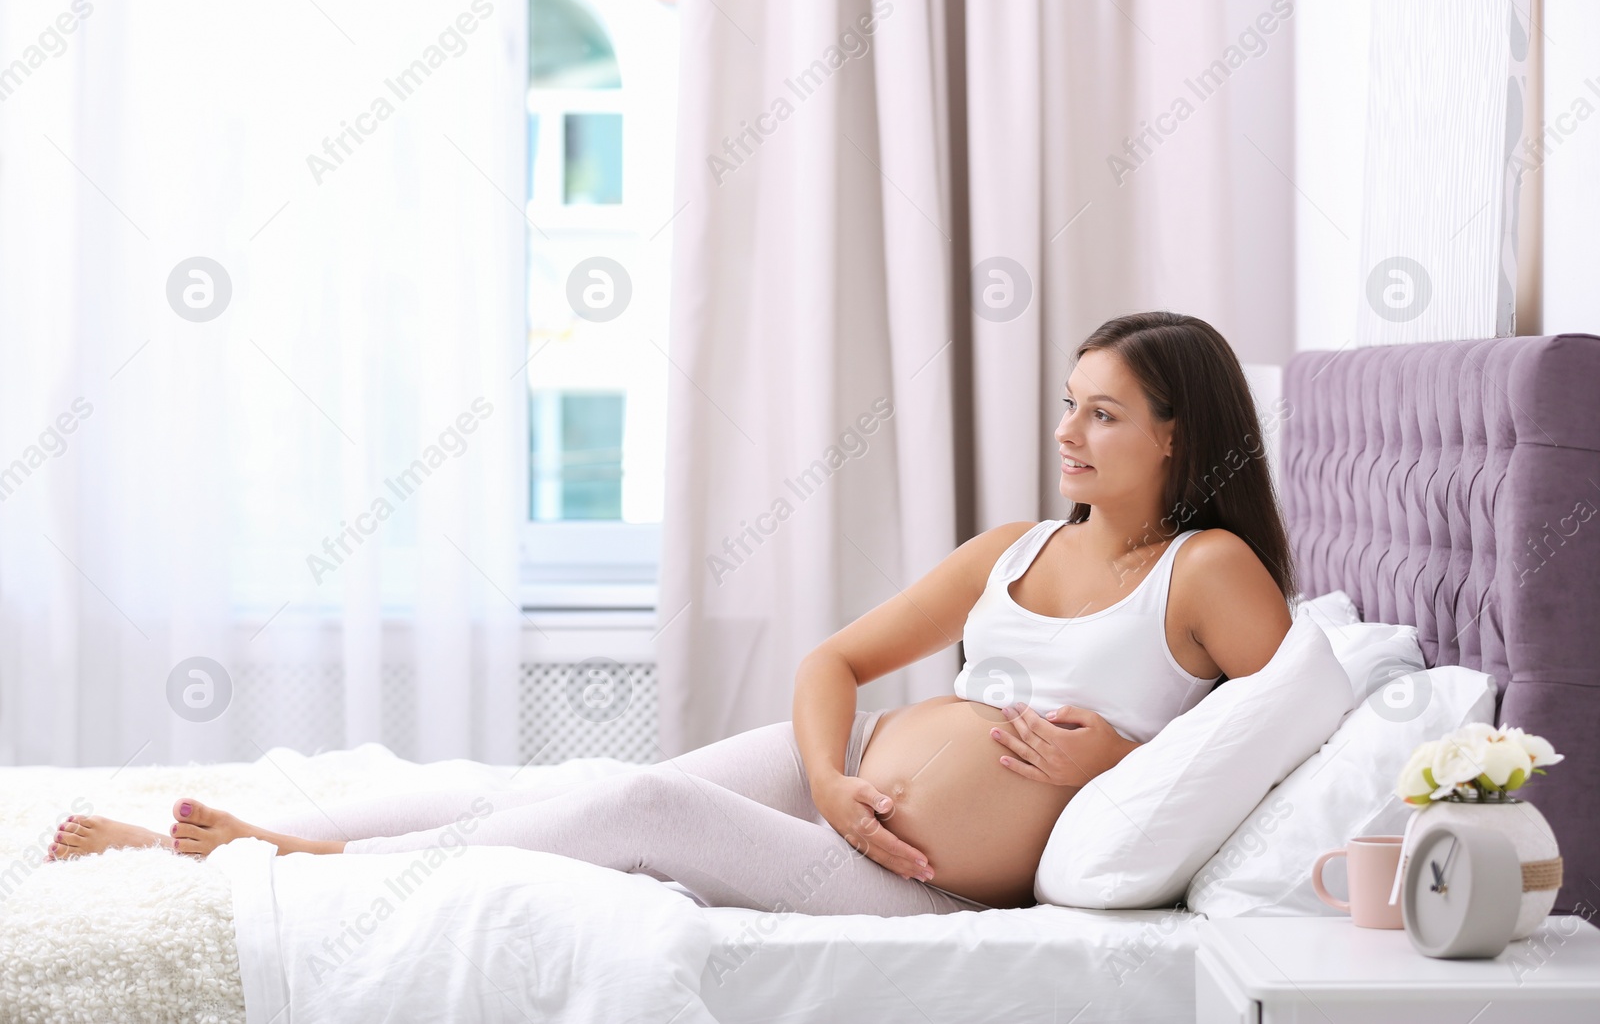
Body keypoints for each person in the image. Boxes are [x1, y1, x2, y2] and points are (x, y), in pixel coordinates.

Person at [48, 311, 1294, 916]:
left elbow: (1277, 741)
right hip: (854, 787)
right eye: (1068, 402)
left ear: (1180, 432)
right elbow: (837, 658)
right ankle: (232, 832)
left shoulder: (1207, 572)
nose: (1065, 432)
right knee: (565, 785)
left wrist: (1125, 756)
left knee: (634, 810)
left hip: (930, 880)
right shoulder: (1015, 547)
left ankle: (308, 865)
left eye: (1103, 413)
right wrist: (832, 771)